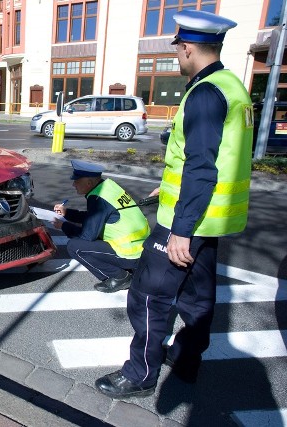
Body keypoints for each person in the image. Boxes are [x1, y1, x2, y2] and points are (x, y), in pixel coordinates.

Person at [95, 9, 253, 398]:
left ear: (187, 48)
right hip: (210, 220)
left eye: (179, 48)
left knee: (149, 295)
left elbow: (202, 164)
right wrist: (165, 189)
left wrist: (181, 228)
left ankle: (140, 374)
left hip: (185, 223)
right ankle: (184, 360)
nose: (178, 54)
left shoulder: (204, 94)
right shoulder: (232, 86)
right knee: (198, 299)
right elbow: (218, 157)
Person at [52, 159, 150, 293]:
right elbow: (94, 217)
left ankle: (120, 277)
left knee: (75, 246)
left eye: (77, 180)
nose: (73, 184)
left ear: (89, 182)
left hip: (130, 253)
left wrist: (65, 226)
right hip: (143, 249)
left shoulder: (98, 199)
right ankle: (124, 269)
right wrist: (67, 213)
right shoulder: (108, 187)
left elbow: (87, 237)